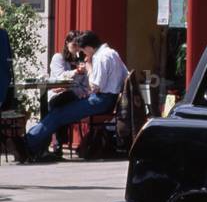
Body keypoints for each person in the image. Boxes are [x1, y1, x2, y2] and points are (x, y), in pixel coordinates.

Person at [21, 31, 129, 160]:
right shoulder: (113, 53)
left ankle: (27, 144)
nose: (85, 54)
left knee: (58, 114)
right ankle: (35, 147)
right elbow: (126, 74)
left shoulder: (100, 57)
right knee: (59, 111)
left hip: (101, 100)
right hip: (110, 98)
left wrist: (89, 68)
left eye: (84, 50)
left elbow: (95, 86)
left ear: (89, 47)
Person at [48, 30, 90, 109]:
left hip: (75, 97)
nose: (77, 48)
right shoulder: (58, 58)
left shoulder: (82, 61)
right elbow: (60, 79)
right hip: (57, 97)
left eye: (79, 45)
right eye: (74, 45)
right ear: (67, 42)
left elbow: (85, 86)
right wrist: (76, 71)